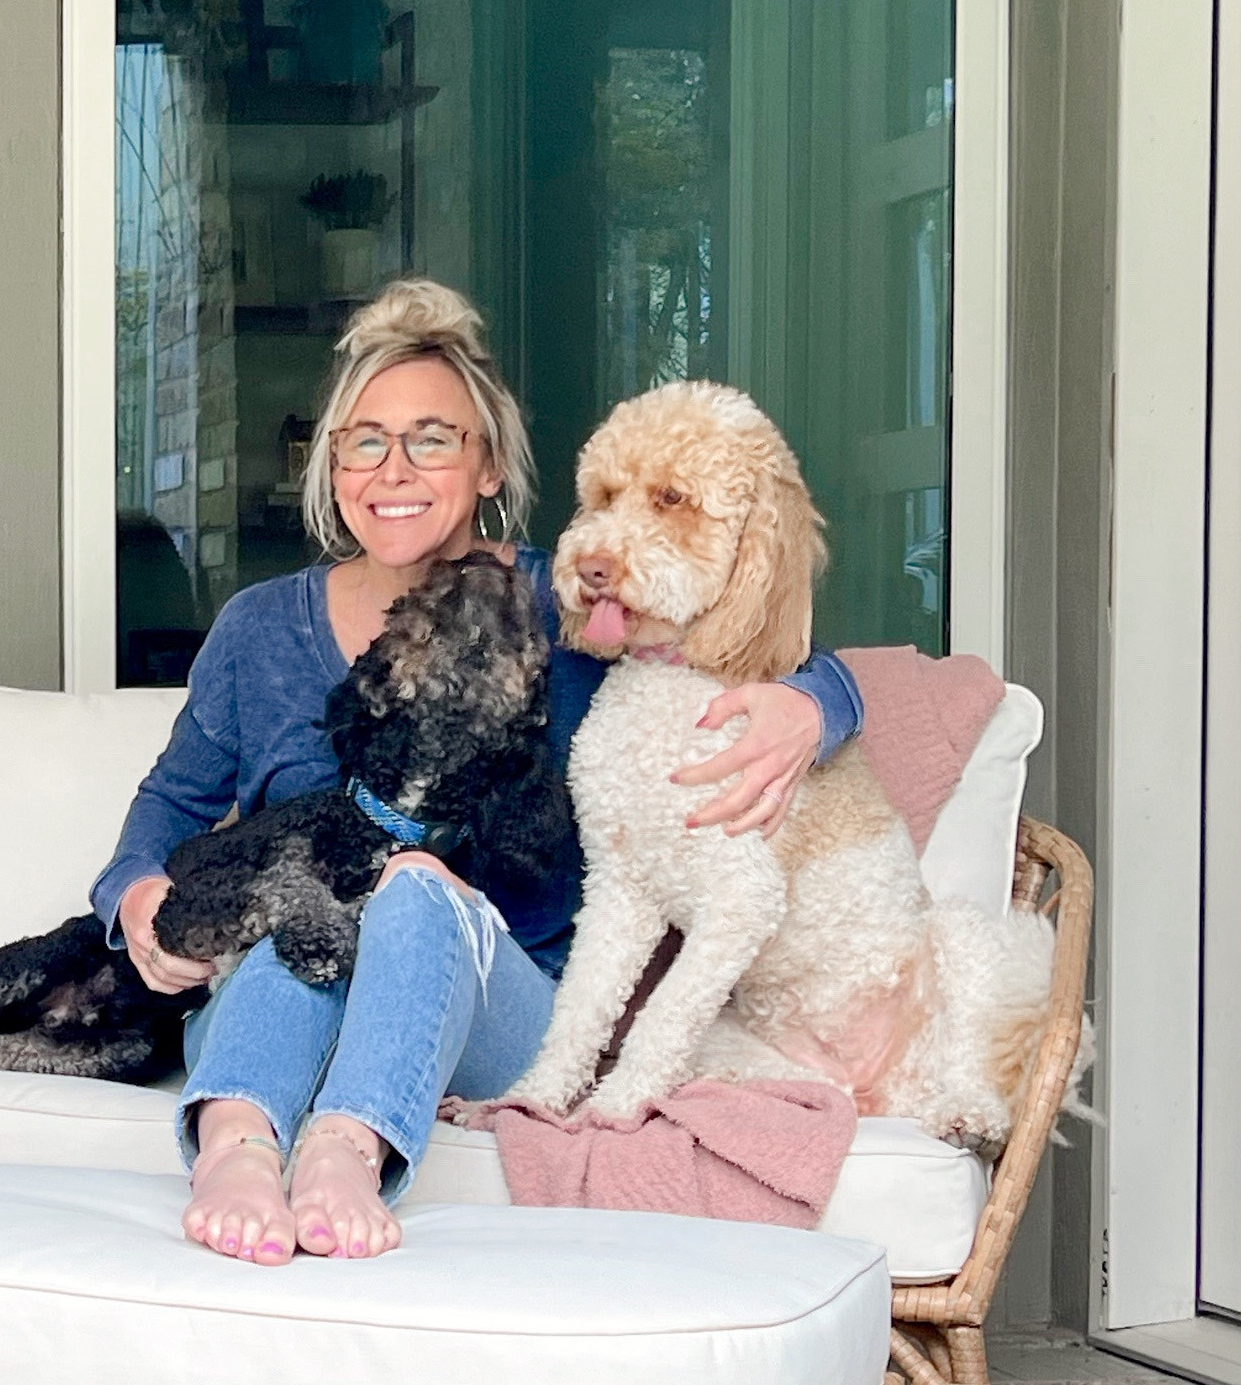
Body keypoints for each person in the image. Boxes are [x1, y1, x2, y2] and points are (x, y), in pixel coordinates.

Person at [88, 281, 862, 1267]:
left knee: (407, 885)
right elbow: (166, 807)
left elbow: (770, 634)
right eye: (364, 441)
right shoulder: (259, 628)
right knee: (309, 902)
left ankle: (344, 1144)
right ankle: (234, 1145)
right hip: (284, 990)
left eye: (430, 438)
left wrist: (814, 704)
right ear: (332, 468)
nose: (392, 469)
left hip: (493, 1010)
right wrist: (138, 895)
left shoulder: (566, 601)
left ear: (487, 463)